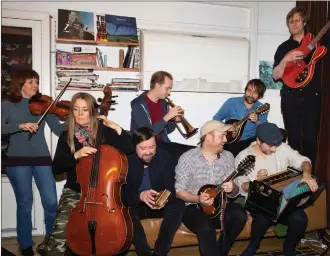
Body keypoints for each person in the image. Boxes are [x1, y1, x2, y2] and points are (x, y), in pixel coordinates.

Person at [38, 92, 134, 256]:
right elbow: (57, 168)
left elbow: (129, 148)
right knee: (60, 230)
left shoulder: (104, 131)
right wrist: (76, 155)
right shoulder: (67, 135)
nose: (80, 114)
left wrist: (117, 127)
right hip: (76, 192)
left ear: (92, 111)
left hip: (104, 195)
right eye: (76, 109)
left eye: (85, 109)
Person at [1, 69, 65, 256]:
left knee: (52, 202)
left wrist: (76, 118)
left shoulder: (44, 105)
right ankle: (26, 244)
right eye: (30, 82)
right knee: (25, 203)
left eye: (36, 82)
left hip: (42, 159)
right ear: (19, 85)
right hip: (17, 160)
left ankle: (51, 241)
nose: (35, 86)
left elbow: (59, 130)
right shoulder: (7, 105)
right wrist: (19, 126)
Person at [235, 122, 319, 256]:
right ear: (258, 141)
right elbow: (241, 185)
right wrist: (257, 183)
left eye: (276, 145)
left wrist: (307, 175)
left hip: (284, 201)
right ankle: (252, 247)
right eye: (269, 145)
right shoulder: (243, 156)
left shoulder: (282, 148)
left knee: (300, 219)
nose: (274, 149)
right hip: (259, 203)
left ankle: (288, 249)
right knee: (263, 219)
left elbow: (303, 160)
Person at [175, 120, 247, 256]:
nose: (225, 140)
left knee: (239, 214)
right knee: (205, 227)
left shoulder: (228, 157)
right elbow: (179, 191)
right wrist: (198, 198)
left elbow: (234, 193)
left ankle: (221, 251)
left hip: (220, 205)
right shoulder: (188, 158)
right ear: (208, 137)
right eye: (222, 136)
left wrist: (232, 189)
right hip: (194, 207)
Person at [273, 7, 328, 173]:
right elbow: (275, 75)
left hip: (312, 96)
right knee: (294, 138)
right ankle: (294, 175)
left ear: (304, 22)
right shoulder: (284, 47)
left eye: (297, 20)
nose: (294, 23)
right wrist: (285, 59)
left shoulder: (318, 42)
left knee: (311, 139)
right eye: (291, 21)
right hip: (290, 97)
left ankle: (309, 175)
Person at [121, 127, 185, 256]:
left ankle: (160, 252)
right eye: (143, 148)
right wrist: (140, 196)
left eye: (152, 147)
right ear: (135, 147)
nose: (149, 152)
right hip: (137, 205)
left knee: (178, 205)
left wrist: (161, 197)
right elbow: (122, 195)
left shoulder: (165, 157)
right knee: (125, 210)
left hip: (160, 204)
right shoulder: (126, 161)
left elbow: (171, 189)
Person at [213, 79, 268, 157]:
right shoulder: (232, 102)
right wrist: (226, 128)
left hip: (249, 143)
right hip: (230, 141)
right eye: (249, 90)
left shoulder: (261, 108)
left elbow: (264, 130)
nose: (250, 95)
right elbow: (216, 118)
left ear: (260, 96)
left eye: (255, 93)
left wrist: (257, 121)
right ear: (245, 90)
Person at [130, 70, 183, 142]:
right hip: (145, 147)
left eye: (170, 89)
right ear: (157, 85)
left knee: (188, 150)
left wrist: (174, 120)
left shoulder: (163, 103)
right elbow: (147, 135)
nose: (169, 93)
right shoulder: (138, 104)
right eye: (167, 88)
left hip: (162, 143)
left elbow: (166, 131)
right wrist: (167, 118)